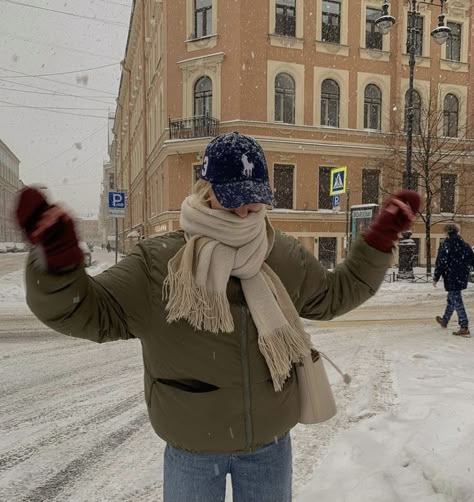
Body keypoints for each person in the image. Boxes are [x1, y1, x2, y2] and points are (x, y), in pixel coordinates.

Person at [15, 132, 419, 502]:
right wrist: (59, 263)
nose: (247, 209)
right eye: (234, 196)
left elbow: (333, 296)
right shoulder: (160, 264)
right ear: (206, 191)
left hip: (269, 447)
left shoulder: (278, 254)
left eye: (256, 196)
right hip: (192, 451)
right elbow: (88, 312)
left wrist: (378, 241)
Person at [433, 223, 474, 337]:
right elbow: (472, 259)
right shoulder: (464, 244)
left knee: (457, 300)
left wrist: (436, 277)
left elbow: (441, 262)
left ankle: (464, 326)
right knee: (452, 299)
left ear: (447, 232)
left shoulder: (446, 244)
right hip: (461, 276)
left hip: (451, 276)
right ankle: (445, 320)